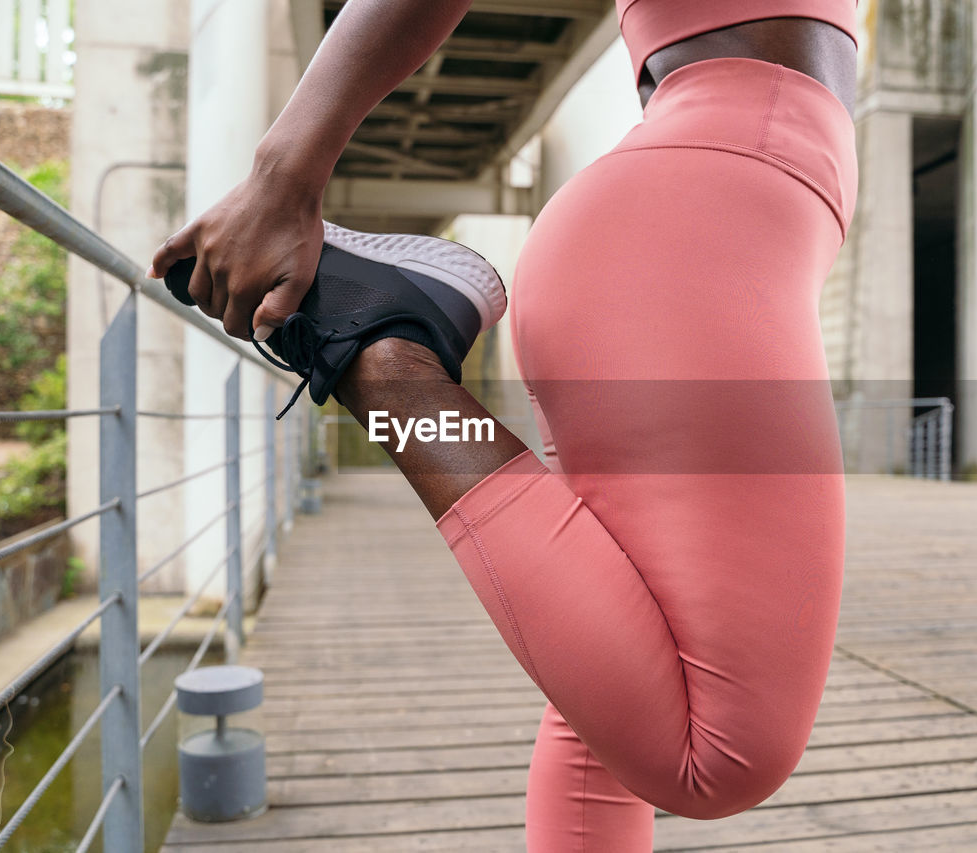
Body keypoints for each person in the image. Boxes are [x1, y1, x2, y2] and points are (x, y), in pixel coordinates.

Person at [150, 1, 858, 848]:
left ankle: (378, 343)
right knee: (723, 754)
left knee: (612, 699)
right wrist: (281, 173)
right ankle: (378, 354)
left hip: (696, 226)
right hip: (700, 231)